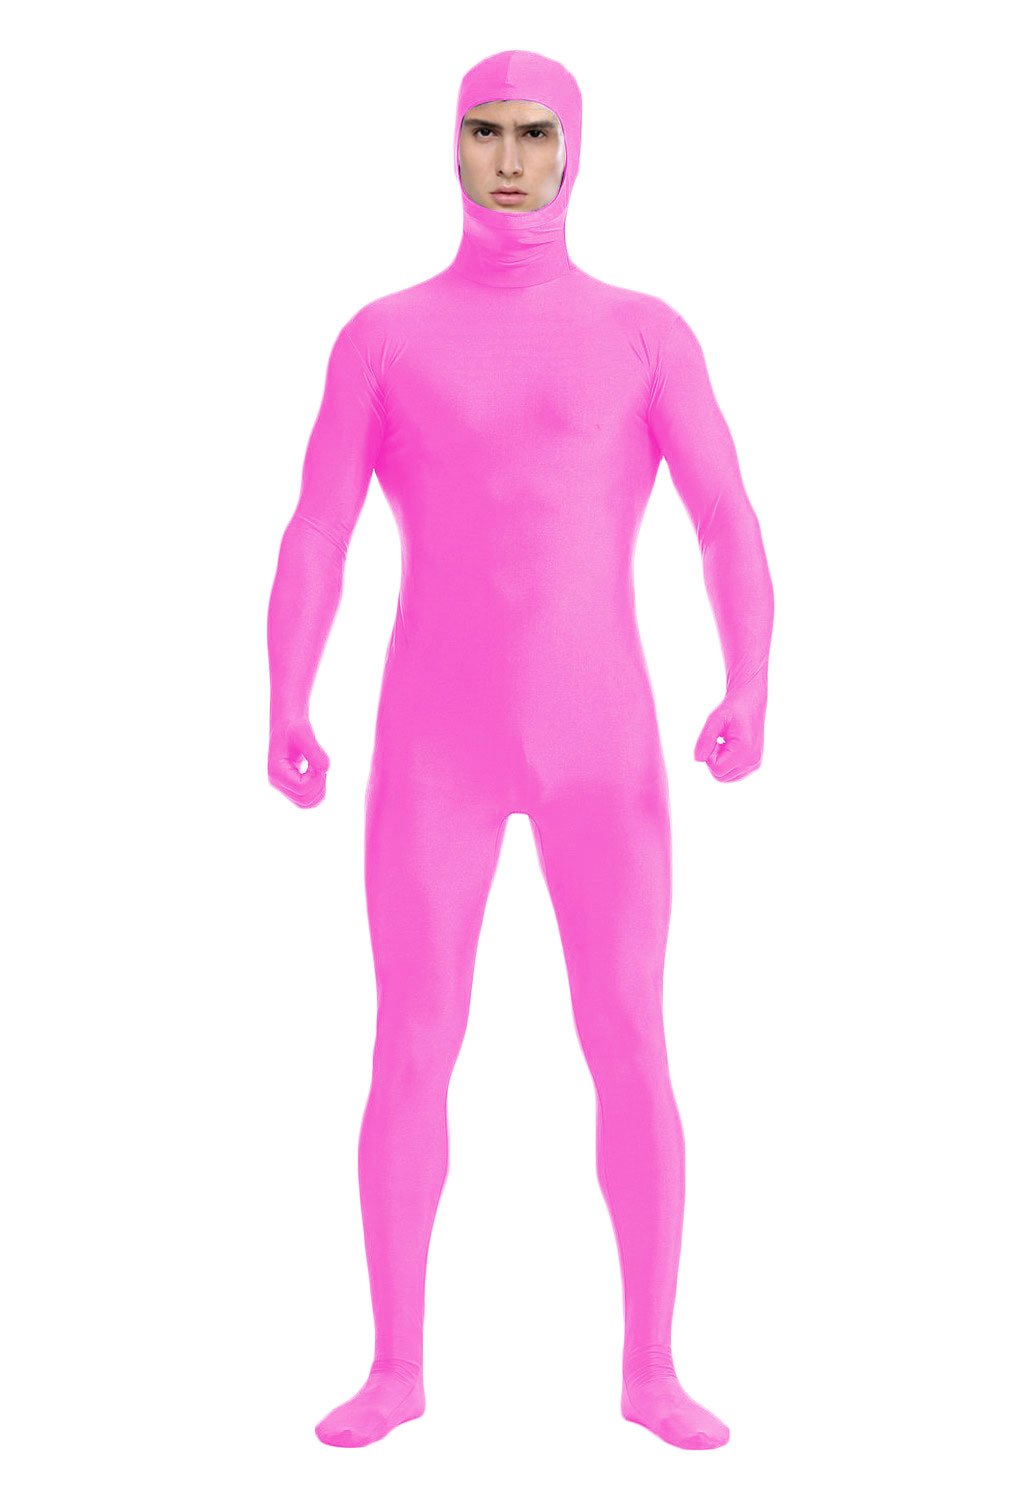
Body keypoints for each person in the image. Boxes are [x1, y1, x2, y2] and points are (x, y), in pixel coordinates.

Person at [267, 48, 773, 1452]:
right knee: (412, 1044)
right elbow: (318, 526)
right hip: (432, 745)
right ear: (452, 147)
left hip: (601, 743)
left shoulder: (642, 334)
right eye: (484, 131)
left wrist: (749, 676)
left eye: (533, 133)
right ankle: (395, 1366)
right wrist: (286, 694)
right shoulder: (384, 337)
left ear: (573, 148)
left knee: (629, 1038)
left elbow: (725, 516)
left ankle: (651, 1367)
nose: (508, 157)